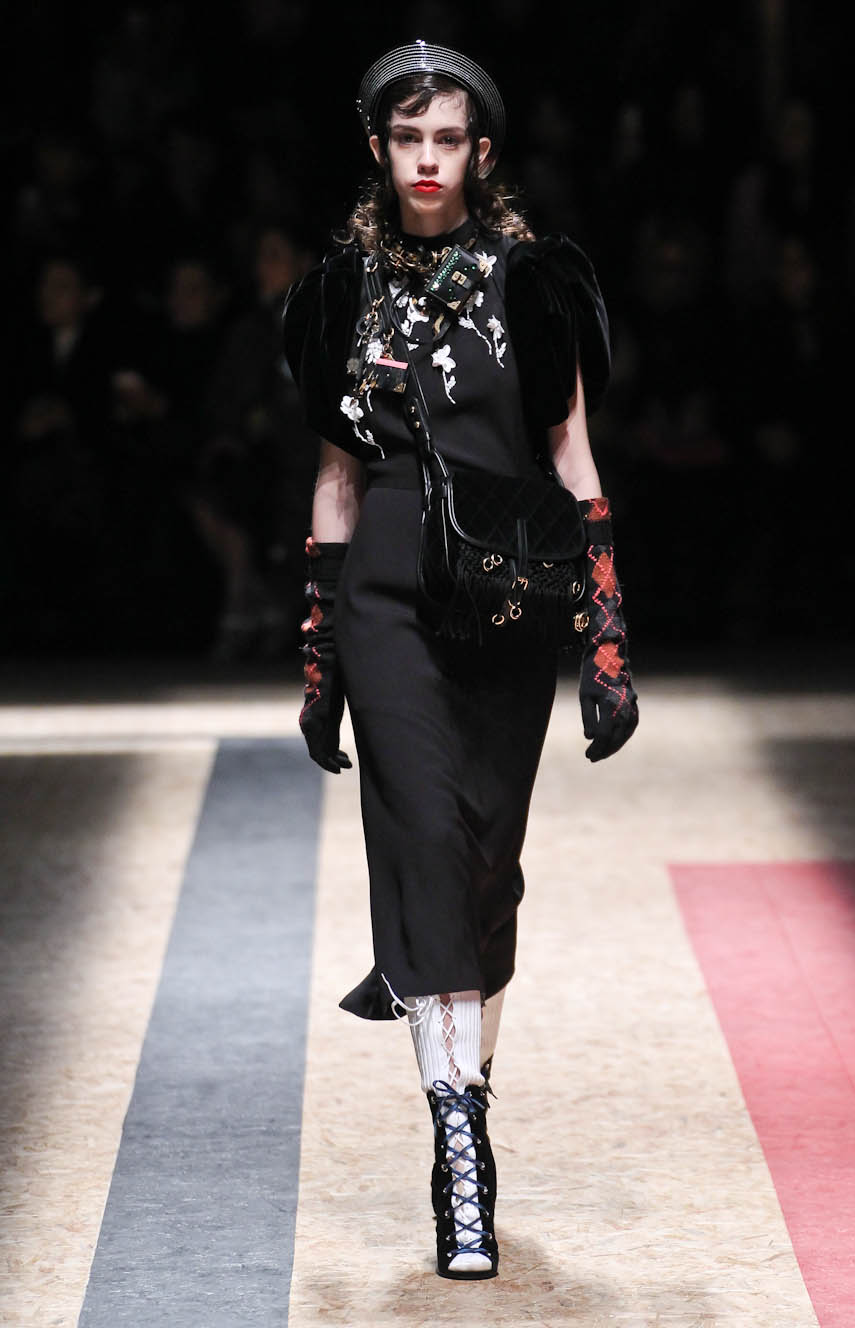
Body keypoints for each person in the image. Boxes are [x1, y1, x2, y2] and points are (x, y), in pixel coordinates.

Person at [283, 40, 638, 1281]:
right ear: (379, 150)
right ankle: (459, 1140)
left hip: (509, 597)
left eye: (447, 140)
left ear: (481, 152)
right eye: (406, 139)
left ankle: (466, 1078)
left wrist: (606, 637)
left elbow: (571, 452)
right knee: (428, 840)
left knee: (487, 863)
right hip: (385, 592)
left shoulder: (536, 283)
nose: (426, 161)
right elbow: (335, 475)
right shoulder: (340, 291)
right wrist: (322, 653)